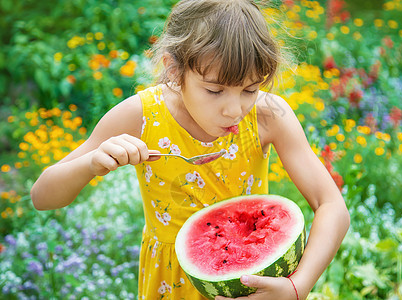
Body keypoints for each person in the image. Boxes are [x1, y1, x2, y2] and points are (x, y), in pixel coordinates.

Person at [31, 0, 350, 299]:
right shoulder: (141, 116)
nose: (234, 109)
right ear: (174, 69)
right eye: (215, 90)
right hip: (169, 285)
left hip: (252, 286)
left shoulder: (268, 116)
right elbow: (42, 197)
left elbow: (331, 205)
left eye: (250, 89)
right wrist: (90, 164)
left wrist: (297, 286)